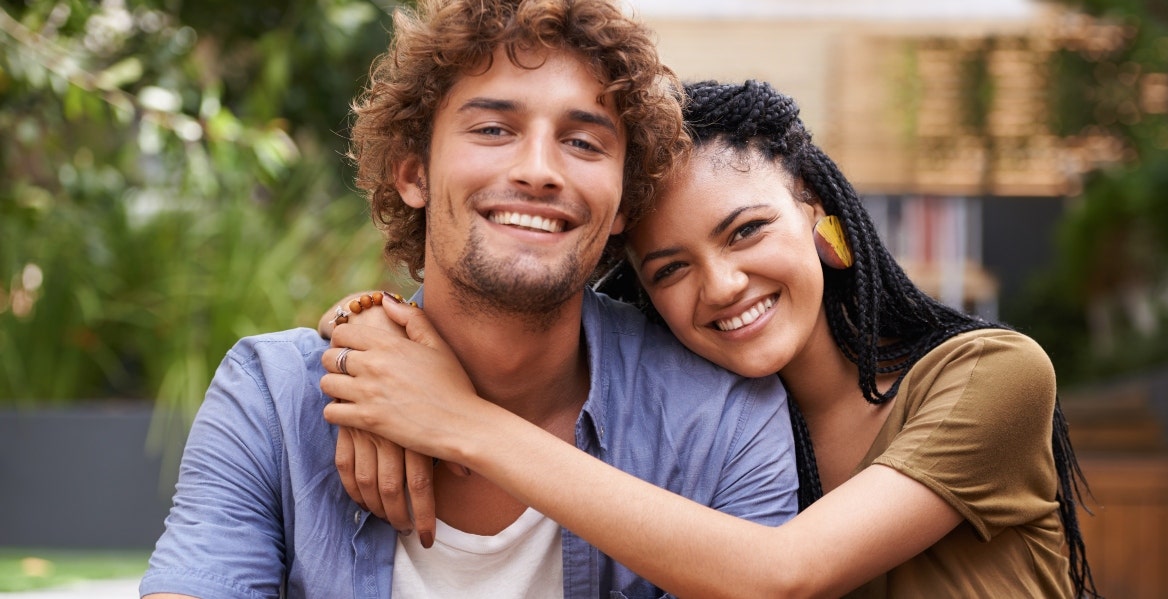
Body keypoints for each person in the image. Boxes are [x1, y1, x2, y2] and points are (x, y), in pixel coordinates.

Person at [321, 80, 1099, 598]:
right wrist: (368, 337)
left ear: (819, 218)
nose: (722, 285)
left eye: (748, 230)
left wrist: (458, 419)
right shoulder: (715, 437)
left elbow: (784, 572)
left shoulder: (991, 375)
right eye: (670, 269)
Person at [139, 3, 802, 598]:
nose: (539, 168)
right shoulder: (276, 402)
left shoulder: (719, 418)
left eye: (582, 141)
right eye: (492, 129)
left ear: (624, 201)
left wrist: (455, 420)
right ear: (414, 172)